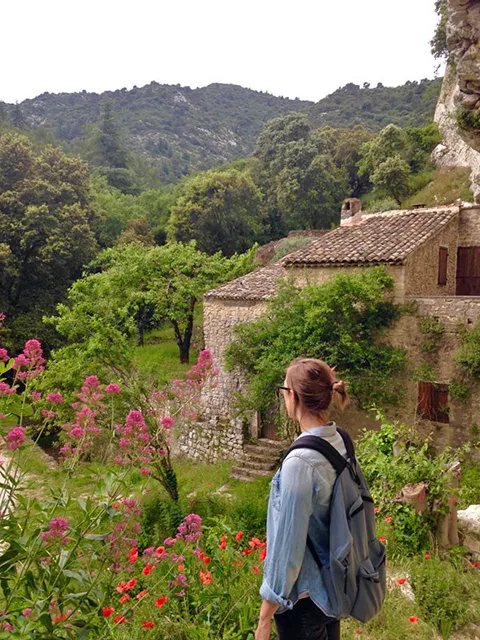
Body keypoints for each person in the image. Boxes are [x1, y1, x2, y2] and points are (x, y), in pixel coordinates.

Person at [254, 357, 349, 640]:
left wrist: (264, 616)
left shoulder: (300, 462)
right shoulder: (339, 440)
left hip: (303, 600)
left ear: (293, 396)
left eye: (284, 391)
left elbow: (289, 547)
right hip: (332, 587)